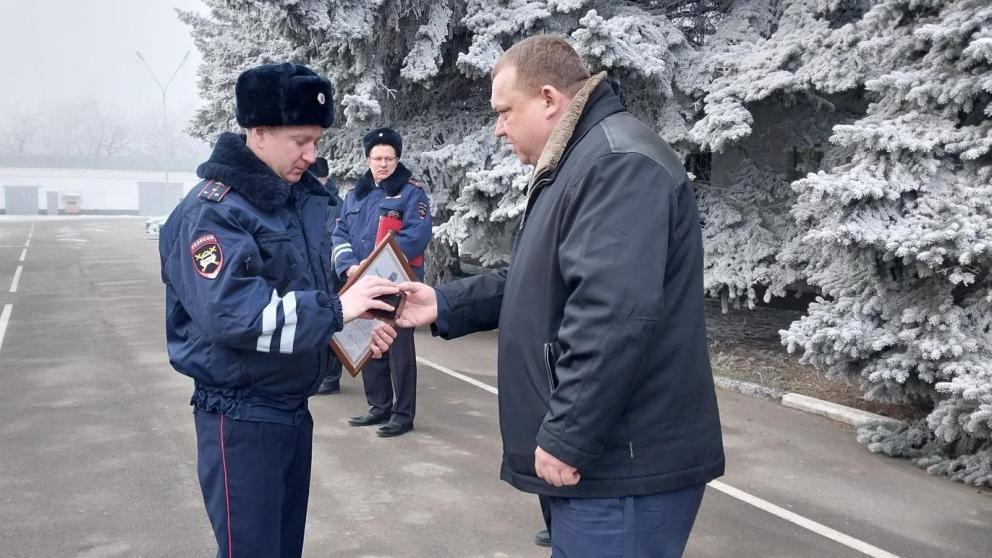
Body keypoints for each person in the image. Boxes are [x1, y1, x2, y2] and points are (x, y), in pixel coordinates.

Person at [395, 36, 725, 557]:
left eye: (504, 112)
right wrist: (445, 303)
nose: (498, 128)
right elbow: (540, 280)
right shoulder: (581, 160)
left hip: (623, 468)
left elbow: (612, 315)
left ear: (548, 99)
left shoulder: (616, 163)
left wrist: (569, 434)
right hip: (606, 464)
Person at [159, 62, 400, 558]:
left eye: (316, 141)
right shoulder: (213, 210)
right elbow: (235, 314)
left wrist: (350, 330)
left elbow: (300, 291)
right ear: (259, 131)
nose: (311, 156)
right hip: (240, 416)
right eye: (299, 141)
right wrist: (337, 311)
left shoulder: (294, 201)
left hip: (290, 410)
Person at [332, 127, 432, 437]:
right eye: (377, 158)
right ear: (368, 160)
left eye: (389, 158)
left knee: (399, 349)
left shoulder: (412, 193)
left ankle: (403, 415)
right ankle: (379, 407)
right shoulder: (354, 195)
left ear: (397, 159)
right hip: (362, 282)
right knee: (369, 342)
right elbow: (340, 234)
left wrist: (375, 265)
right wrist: (350, 268)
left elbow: (417, 235)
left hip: (396, 282)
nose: (383, 164)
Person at [309, 156, 346, 395]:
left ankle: (331, 377)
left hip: (329, 271)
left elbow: (335, 237)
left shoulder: (336, 204)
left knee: (330, 322)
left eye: (321, 179)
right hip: (311, 270)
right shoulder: (304, 199)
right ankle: (318, 372)